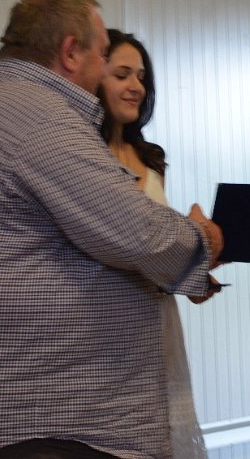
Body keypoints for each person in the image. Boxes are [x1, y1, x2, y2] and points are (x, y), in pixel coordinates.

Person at [0, 0, 223, 459]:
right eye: (104, 55)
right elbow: (144, 235)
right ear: (70, 52)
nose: (104, 70)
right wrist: (204, 236)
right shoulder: (39, 116)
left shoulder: (1, 103)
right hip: (14, 430)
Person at [98, 29, 209, 459]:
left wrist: (196, 266)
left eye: (141, 77)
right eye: (122, 74)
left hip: (159, 322)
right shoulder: (84, 156)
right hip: (107, 327)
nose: (136, 87)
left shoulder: (151, 158)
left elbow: (159, 245)